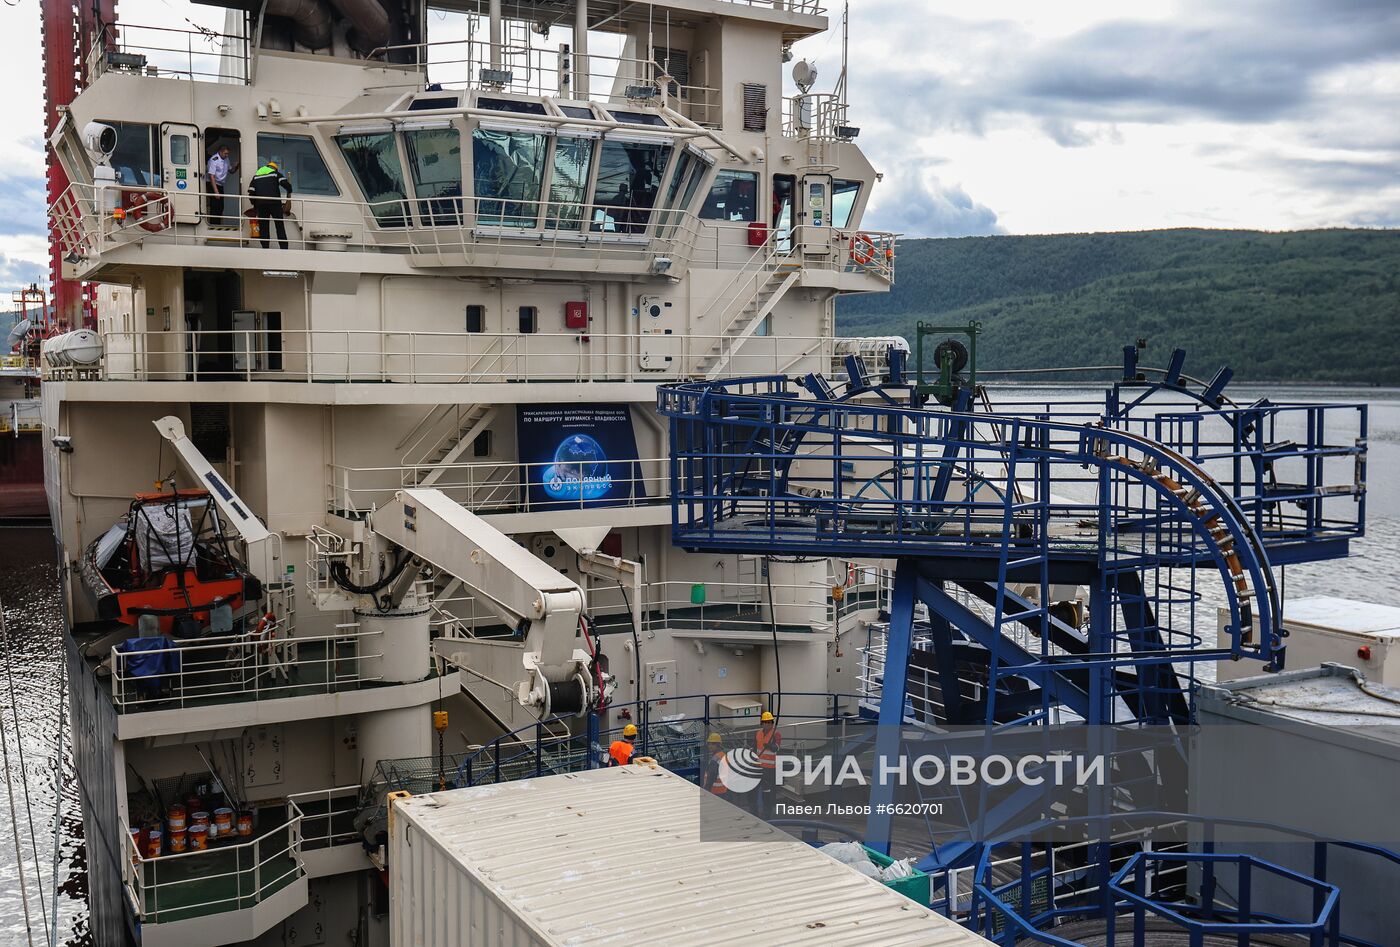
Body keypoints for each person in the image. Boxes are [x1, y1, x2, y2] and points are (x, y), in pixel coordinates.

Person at [248, 159, 293, 249]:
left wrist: (255, 205)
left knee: (264, 227)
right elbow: (284, 183)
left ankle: (265, 248)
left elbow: (251, 192)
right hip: (274, 203)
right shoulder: (275, 174)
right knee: (279, 226)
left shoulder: (256, 177)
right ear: (274, 168)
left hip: (261, 205)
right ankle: (284, 248)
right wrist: (289, 190)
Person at [753, 711, 781, 818]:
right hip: (758, 766)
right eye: (765, 722)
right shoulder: (758, 733)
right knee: (755, 789)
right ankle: (756, 811)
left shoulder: (776, 734)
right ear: (762, 723)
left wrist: (769, 745)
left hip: (769, 769)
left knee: (767, 791)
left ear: (772, 723)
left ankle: (767, 813)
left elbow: (776, 748)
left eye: (769, 722)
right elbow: (755, 748)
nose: (767, 724)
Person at [205, 145, 236, 225]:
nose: (227, 155)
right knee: (215, 206)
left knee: (220, 207)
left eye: (227, 154)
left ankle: (217, 224)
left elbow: (231, 171)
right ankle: (213, 225)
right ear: (220, 152)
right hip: (212, 184)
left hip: (220, 185)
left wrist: (236, 166)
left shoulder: (226, 159)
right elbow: (211, 176)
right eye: (225, 153)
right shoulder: (213, 160)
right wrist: (216, 191)